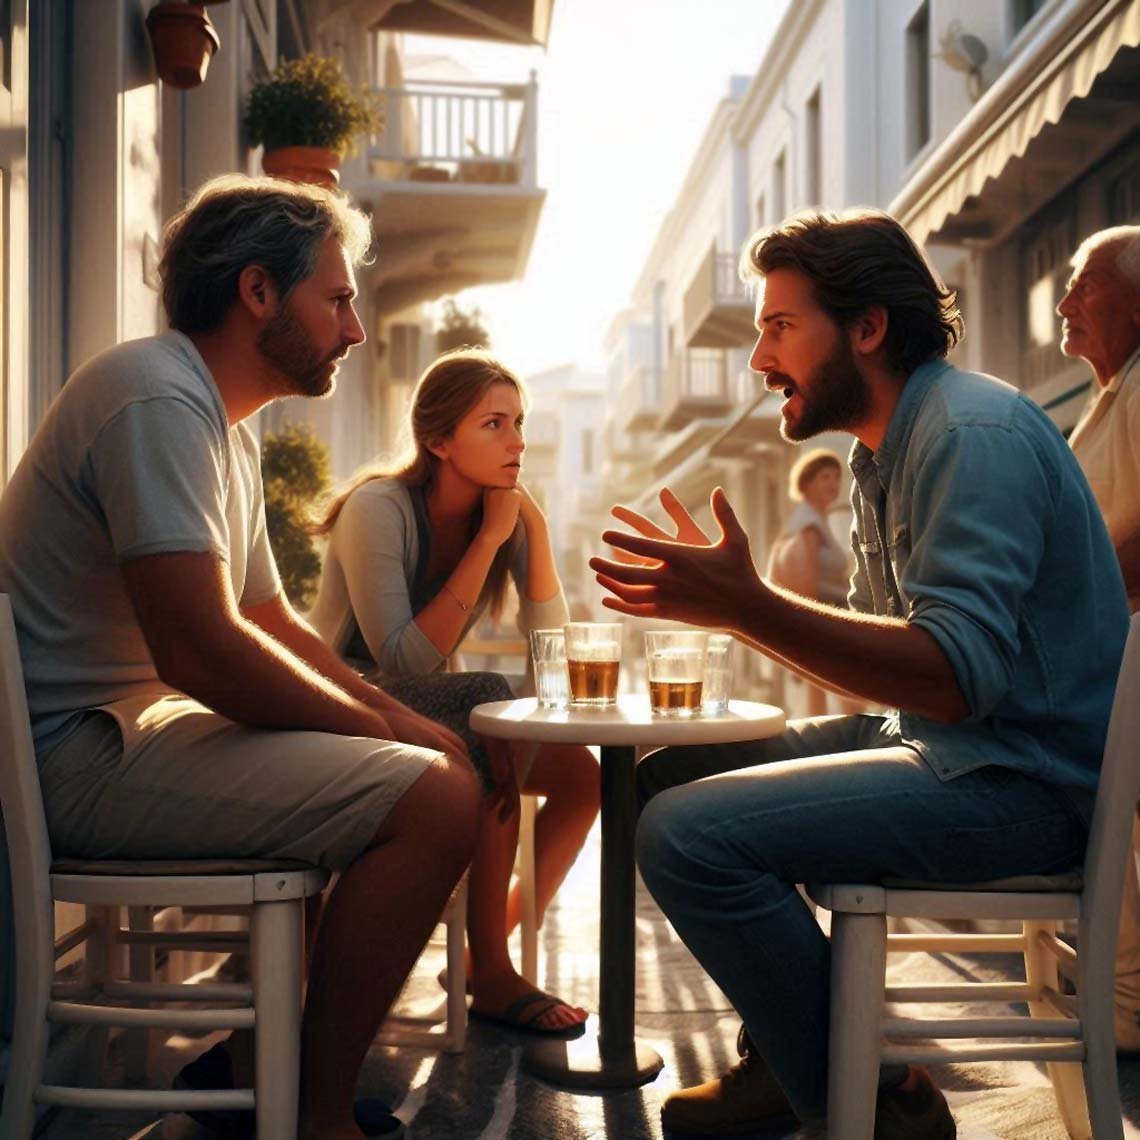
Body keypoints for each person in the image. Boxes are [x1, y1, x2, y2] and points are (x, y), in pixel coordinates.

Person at [589, 208, 1128, 1139]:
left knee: (687, 838)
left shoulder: (973, 433)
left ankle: (869, 1107)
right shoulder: (884, 452)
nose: (760, 360)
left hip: (1030, 782)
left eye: (779, 327)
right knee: (668, 776)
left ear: (868, 327)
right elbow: (910, 671)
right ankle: (800, 1053)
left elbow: (957, 676)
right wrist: (744, 608)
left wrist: (747, 606)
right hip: (952, 747)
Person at [0, 174, 485, 1140]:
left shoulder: (223, 423)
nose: (352, 330)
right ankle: (312, 1113)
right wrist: (393, 738)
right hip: (75, 752)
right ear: (258, 291)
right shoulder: (153, 397)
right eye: (338, 300)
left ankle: (258, 1065)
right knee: (436, 801)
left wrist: (395, 719)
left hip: (130, 737)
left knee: (423, 763)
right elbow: (200, 650)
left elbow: (268, 621)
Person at [308, 349, 600, 1035]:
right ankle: (494, 975)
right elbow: (402, 658)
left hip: (433, 706)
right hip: (340, 700)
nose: (517, 442)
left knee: (584, 778)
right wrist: (493, 538)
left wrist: (535, 532)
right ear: (439, 441)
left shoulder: (502, 514)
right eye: (493, 424)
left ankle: (474, 953)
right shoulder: (376, 508)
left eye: (520, 423)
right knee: (489, 708)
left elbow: (549, 656)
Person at [1058, 224, 1140, 1050]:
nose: (1065, 302)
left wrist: (1067, 614)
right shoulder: (1110, 397)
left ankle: (1121, 1005)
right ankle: (1119, 999)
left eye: (1085, 283)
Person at [766, 447, 849, 715]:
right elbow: (806, 584)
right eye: (825, 476)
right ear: (807, 482)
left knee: (825, 696)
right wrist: (808, 634)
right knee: (848, 697)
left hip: (829, 616)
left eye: (837, 477)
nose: (834, 484)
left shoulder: (810, 521)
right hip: (827, 617)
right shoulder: (809, 526)